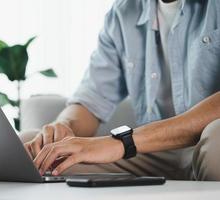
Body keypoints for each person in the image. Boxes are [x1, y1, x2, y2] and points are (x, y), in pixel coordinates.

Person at [21, 0, 220, 181]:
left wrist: (122, 143)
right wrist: (62, 128)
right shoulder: (123, 12)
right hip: (153, 151)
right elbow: (91, 100)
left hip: (205, 145)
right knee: (32, 149)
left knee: (216, 142)